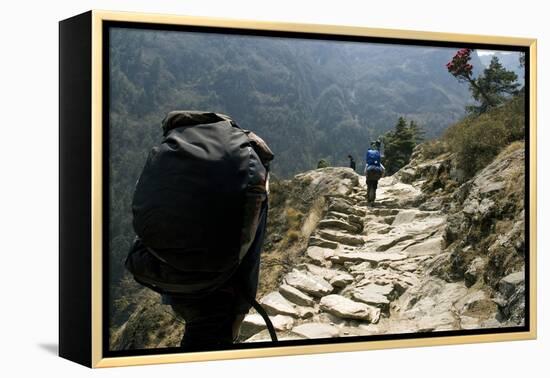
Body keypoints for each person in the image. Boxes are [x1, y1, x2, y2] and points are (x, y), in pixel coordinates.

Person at [125, 111, 275, 352]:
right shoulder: (247, 159)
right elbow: (250, 250)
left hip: (162, 273)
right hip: (218, 284)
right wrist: (239, 312)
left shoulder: (170, 152)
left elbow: (149, 211)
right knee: (209, 342)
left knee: (196, 334)